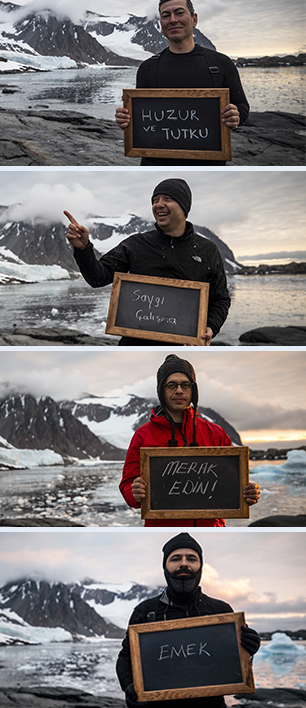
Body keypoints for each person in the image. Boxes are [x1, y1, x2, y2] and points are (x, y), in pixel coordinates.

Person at [64, 177, 231, 346]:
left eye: (167, 199)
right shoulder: (136, 244)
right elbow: (98, 277)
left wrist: (210, 328)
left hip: (185, 346)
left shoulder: (207, 250)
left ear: (184, 206)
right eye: (155, 200)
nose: (158, 204)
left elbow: (221, 299)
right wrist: (83, 248)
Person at [115, 533, 261, 707]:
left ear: (200, 566)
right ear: (165, 567)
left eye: (191, 559)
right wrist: (129, 686)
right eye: (176, 558)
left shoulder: (221, 611)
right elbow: (125, 657)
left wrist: (249, 649)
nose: (183, 563)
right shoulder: (146, 611)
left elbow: (233, 665)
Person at [119, 355, 259, 527]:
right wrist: (134, 492)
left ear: (193, 390)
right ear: (161, 390)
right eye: (171, 385)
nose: (179, 391)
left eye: (185, 385)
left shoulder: (215, 433)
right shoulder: (143, 435)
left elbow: (231, 484)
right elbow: (127, 484)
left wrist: (247, 494)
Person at [114, 0, 248, 166]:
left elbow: (243, 107)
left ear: (194, 19)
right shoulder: (148, 68)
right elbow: (140, 117)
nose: (173, 20)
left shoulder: (221, 64)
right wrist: (126, 120)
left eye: (179, 13)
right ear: (161, 24)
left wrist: (235, 117)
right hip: (155, 163)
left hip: (207, 164)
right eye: (165, 16)